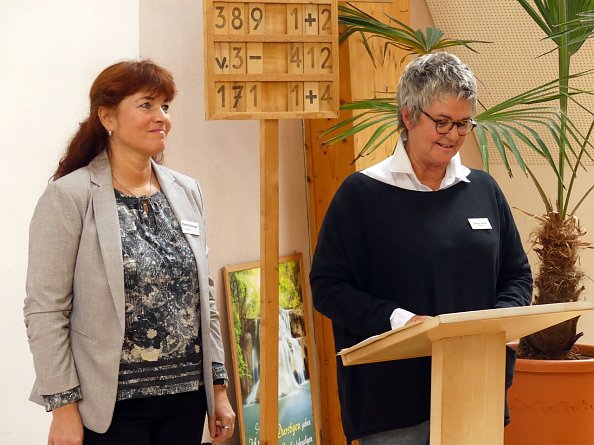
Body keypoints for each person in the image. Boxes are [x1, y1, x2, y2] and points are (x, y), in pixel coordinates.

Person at [309, 52, 533, 445]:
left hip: (477, 390)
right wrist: (401, 321)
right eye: (442, 122)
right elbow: (327, 287)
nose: (453, 135)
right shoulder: (361, 195)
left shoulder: (483, 191)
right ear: (408, 115)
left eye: (463, 124)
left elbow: (516, 274)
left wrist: (497, 323)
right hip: (391, 406)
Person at [24, 59, 235, 445]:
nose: (162, 118)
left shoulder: (188, 191)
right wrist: (63, 407)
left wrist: (218, 387)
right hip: (110, 408)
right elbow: (45, 310)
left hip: (186, 401)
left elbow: (205, 300)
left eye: (165, 107)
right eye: (146, 105)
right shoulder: (70, 197)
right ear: (107, 117)